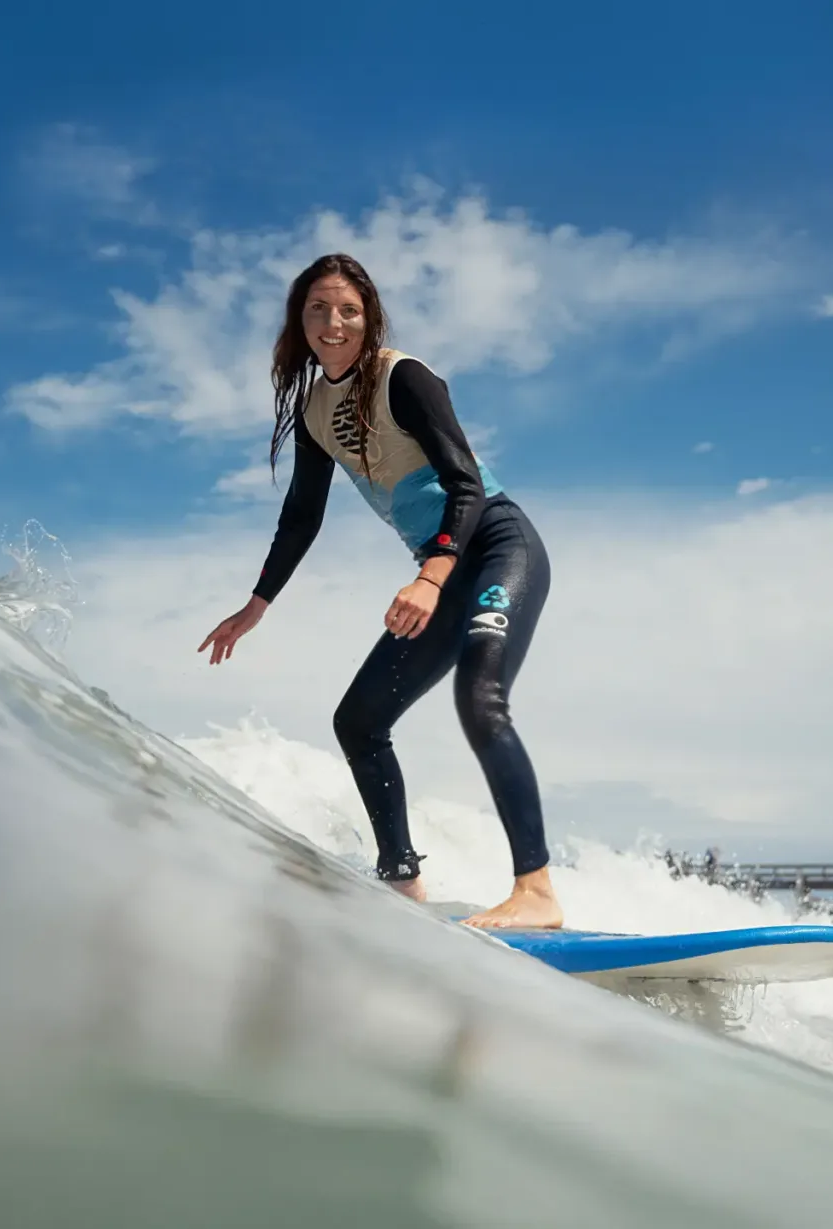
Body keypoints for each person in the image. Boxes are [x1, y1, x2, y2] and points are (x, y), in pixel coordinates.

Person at [197, 253, 563, 930]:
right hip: (440, 571)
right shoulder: (314, 410)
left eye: (348, 310)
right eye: (317, 309)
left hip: (497, 546)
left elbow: (466, 484)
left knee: (480, 695)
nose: (333, 323)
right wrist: (256, 604)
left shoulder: (405, 377)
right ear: (297, 320)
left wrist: (431, 575)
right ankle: (402, 881)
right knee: (359, 722)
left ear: (368, 317)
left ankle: (537, 890)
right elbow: (302, 515)